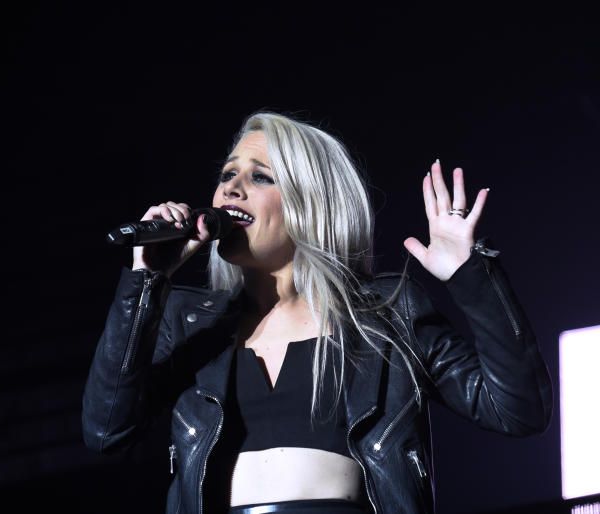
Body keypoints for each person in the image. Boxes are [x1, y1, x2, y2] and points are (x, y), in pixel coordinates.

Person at [81, 112, 552, 514]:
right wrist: (147, 279)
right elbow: (106, 430)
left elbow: (517, 411)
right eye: (227, 175)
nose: (231, 189)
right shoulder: (190, 322)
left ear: (311, 201)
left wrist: (470, 275)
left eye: (260, 177)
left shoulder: (388, 313)